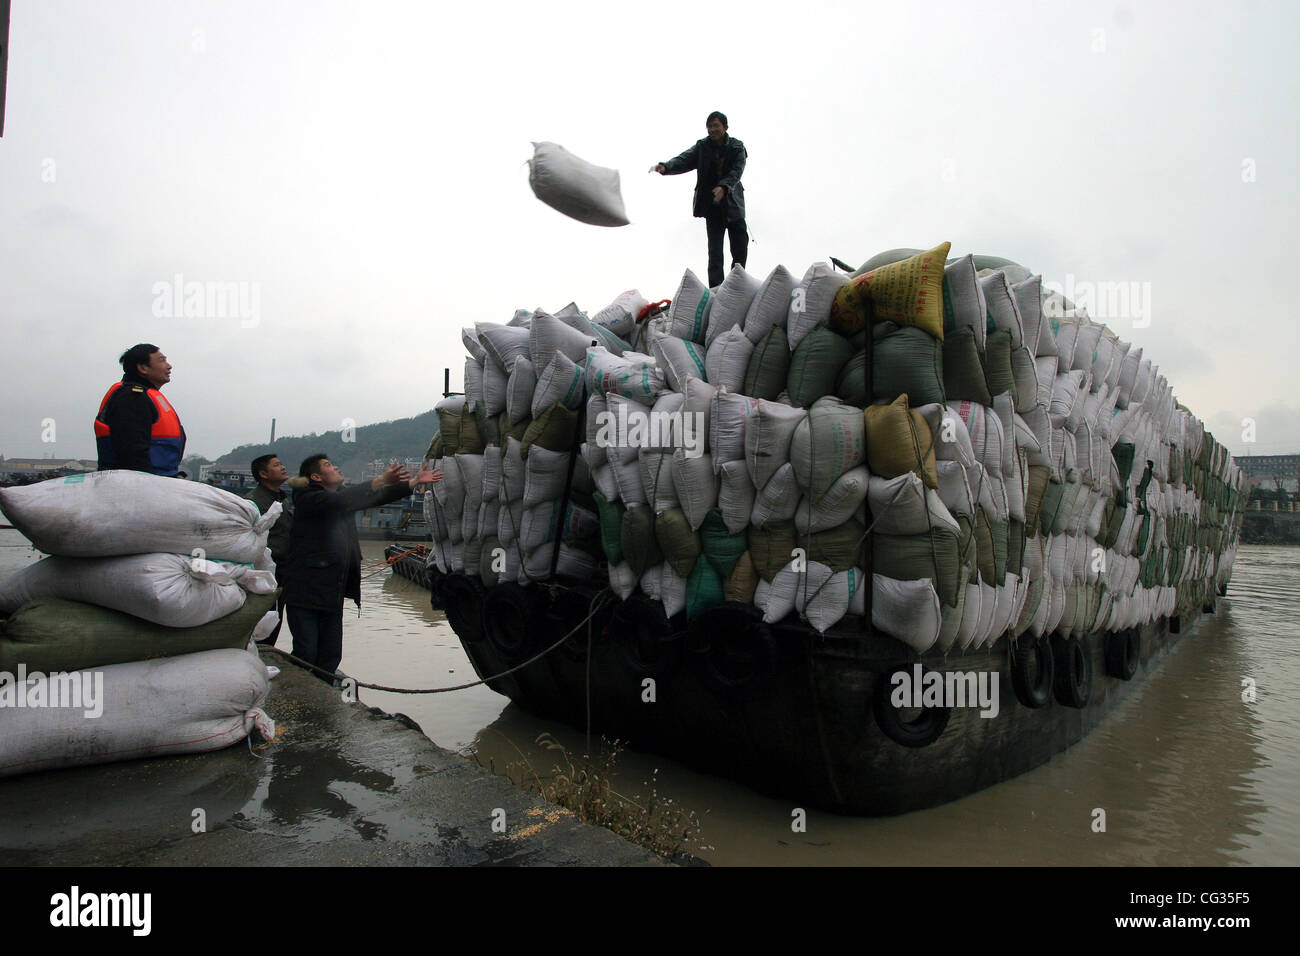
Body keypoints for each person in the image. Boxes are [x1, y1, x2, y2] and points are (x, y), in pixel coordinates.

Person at [280, 454, 441, 683]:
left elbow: (375, 498)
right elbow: (341, 501)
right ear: (316, 476)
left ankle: (322, 696)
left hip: (332, 590)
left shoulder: (339, 496)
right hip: (305, 589)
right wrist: (381, 479)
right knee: (306, 650)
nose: (335, 466)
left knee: (330, 654)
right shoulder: (308, 499)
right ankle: (299, 696)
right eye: (328, 465)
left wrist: (413, 483)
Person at [653, 111, 749, 288]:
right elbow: (684, 159)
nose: (712, 129)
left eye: (716, 126)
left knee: (740, 246)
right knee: (714, 252)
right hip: (712, 207)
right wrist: (666, 166)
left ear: (725, 128)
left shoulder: (737, 147)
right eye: (710, 126)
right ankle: (716, 290)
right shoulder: (702, 147)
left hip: (733, 205)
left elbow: (737, 171)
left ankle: (739, 284)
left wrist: (723, 187)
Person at [93, 344, 187, 476]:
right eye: (161, 360)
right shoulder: (132, 397)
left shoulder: (148, 397)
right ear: (143, 368)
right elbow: (131, 451)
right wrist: (147, 486)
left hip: (159, 481)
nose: (169, 366)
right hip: (137, 486)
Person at [245, 454, 294, 646]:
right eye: (276, 465)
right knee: (259, 620)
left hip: (283, 570)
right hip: (262, 572)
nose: (282, 467)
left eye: (281, 463)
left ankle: (267, 655)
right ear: (264, 474)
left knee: (275, 618)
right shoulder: (252, 502)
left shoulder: (284, 499)